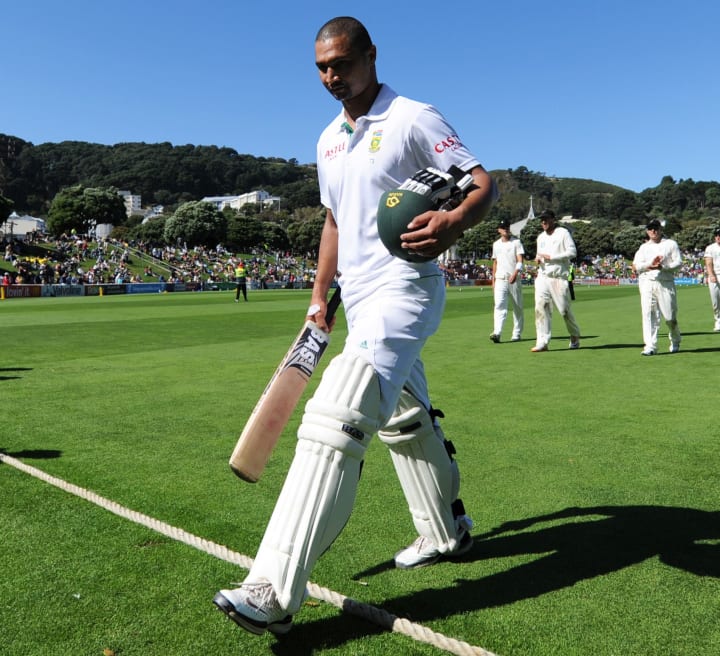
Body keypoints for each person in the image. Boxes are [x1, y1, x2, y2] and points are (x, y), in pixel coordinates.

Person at [213, 16, 497, 636]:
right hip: (361, 297)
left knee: (335, 416)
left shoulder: (414, 117)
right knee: (404, 417)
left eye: (341, 63)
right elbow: (335, 223)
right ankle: (446, 533)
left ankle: (273, 588)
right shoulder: (327, 140)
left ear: (371, 55)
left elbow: (482, 184)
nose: (330, 76)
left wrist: (452, 225)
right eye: (321, 67)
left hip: (406, 291)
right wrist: (320, 296)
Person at [532, 210, 581, 352]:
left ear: (553, 219)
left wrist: (551, 257)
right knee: (541, 308)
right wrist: (538, 259)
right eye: (542, 220)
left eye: (546, 219)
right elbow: (539, 255)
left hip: (558, 277)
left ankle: (574, 335)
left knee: (564, 310)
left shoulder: (563, 233)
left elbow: (572, 252)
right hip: (543, 276)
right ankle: (542, 341)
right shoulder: (540, 237)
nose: (543, 222)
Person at [631, 219, 683, 355]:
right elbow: (636, 266)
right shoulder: (643, 247)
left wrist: (663, 266)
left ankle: (675, 339)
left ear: (661, 229)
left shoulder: (670, 244)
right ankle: (650, 346)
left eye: (655, 228)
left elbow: (678, 262)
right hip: (647, 282)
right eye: (650, 229)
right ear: (647, 231)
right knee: (648, 314)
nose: (653, 231)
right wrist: (649, 265)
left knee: (670, 317)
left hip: (665, 282)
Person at [489, 219, 524, 343]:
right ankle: (497, 332)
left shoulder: (516, 242)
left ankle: (517, 333)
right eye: (503, 227)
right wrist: (493, 280)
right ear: (499, 229)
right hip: (500, 279)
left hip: (513, 279)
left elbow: (520, 260)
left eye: (507, 227)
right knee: (499, 306)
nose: (506, 229)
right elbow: (495, 262)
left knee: (517, 307)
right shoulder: (496, 244)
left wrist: (515, 273)